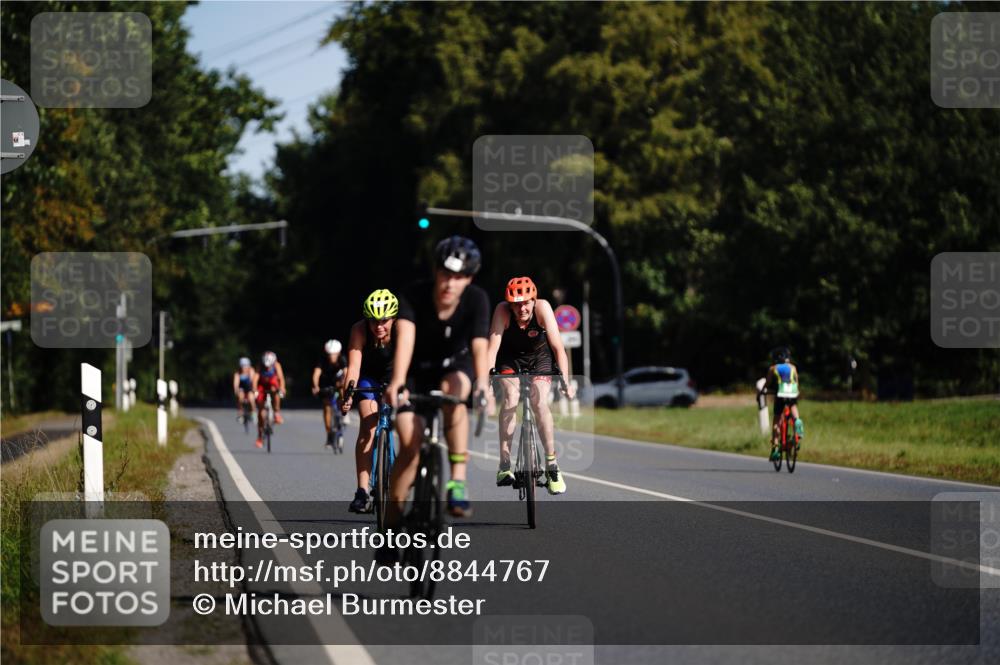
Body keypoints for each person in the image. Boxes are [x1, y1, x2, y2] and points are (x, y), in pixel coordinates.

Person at [385, 236, 490, 520]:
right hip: (414, 372)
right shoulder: (413, 295)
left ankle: (457, 482)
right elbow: (405, 339)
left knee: (453, 390)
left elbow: (480, 346)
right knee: (410, 445)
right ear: (435, 271)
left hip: (454, 367)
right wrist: (398, 381)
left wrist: (483, 384)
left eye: (458, 277)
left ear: (469, 279)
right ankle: (391, 518)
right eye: (445, 274)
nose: (449, 284)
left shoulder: (477, 299)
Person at [486, 276, 574, 494]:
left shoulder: (543, 308)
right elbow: (492, 349)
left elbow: (558, 348)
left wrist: (566, 380)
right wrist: (486, 385)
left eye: (525, 303)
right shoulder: (502, 311)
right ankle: (504, 464)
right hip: (510, 358)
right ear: (509, 304)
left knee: (539, 401)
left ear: (534, 300)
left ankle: (552, 465)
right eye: (516, 304)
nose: (521, 309)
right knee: (510, 398)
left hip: (539, 357)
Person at [341, 289, 398, 513]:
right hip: (369, 378)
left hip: (396, 376)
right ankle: (362, 492)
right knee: (368, 427)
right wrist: (347, 395)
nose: (379, 326)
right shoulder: (359, 330)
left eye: (384, 321)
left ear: (394, 318)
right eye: (374, 321)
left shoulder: (403, 329)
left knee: (408, 425)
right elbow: (354, 367)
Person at [764, 346, 804, 460]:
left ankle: (775, 448)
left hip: (781, 393)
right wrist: (797, 391)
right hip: (792, 392)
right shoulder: (793, 367)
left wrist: (762, 391)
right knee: (793, 406)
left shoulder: (773, 368)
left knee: (777, 419)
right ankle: (797, 420)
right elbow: (796, 381)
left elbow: (767, 383)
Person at [311, 339, 346, 448]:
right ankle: (329, 433)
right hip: (327, 383)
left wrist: (344, 384)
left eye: (334, 354)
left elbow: (347, 373)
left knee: (343, 391)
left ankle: (345, 411)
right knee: (326, 406)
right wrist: (316, 386)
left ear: (338, 353)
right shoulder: (322, 360)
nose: (332, 356)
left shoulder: (342, 359)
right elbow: (316, 374)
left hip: (339, 382)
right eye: (329, 354)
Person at [254, 350, 286, 448]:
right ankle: (260, 437)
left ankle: (276, 413)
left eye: (269, 366)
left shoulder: (276, 365)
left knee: (275, 391)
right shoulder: (260, 366)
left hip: (272, 385)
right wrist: (254, 390)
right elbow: (255, 379)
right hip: (262, 386)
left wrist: (282, 388)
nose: (267, 368)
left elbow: (281, 378)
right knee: (261, 413)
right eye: (266, 367)